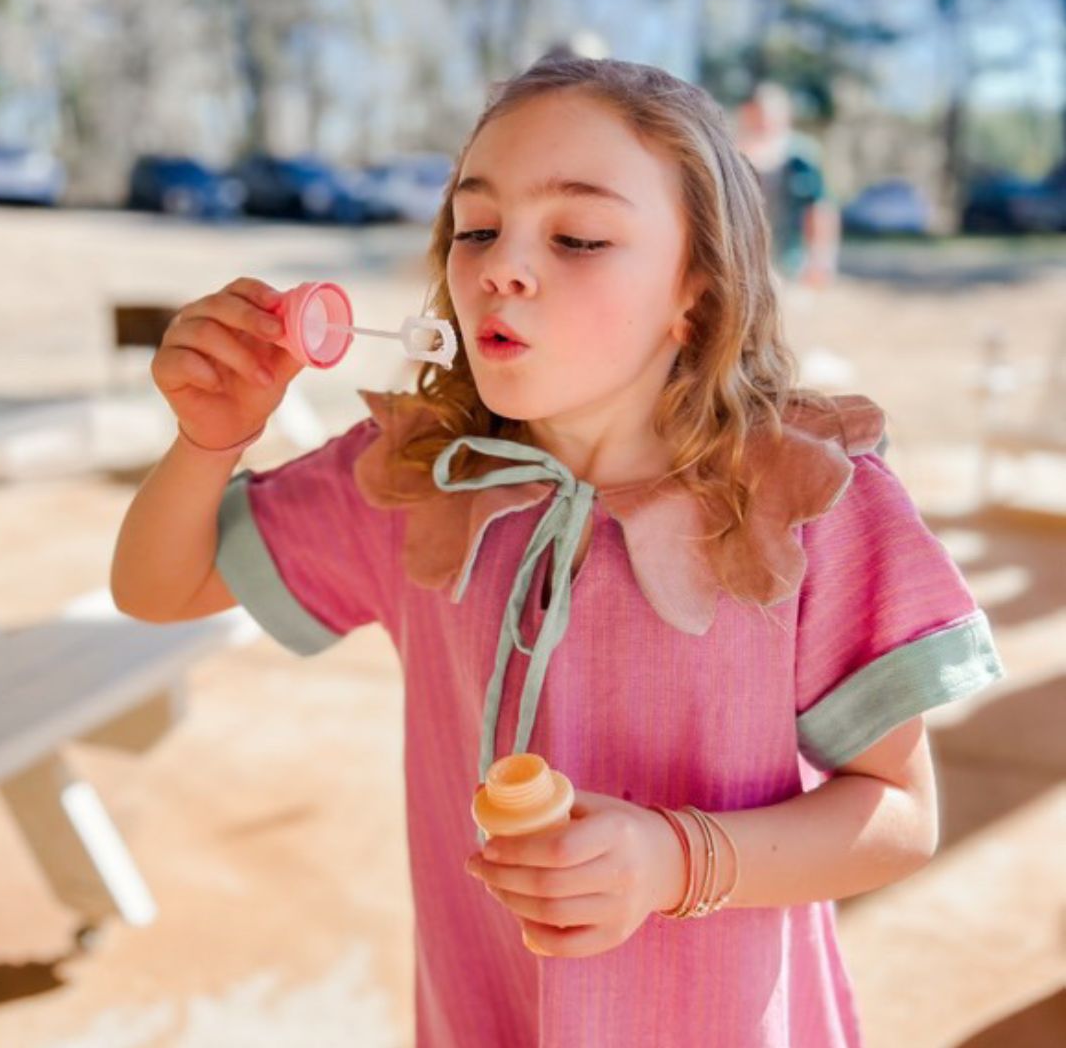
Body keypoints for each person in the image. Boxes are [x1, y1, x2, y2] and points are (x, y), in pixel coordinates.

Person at [111, 55, 1005, 1047]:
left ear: (697, 295)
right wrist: (208, 441)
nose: (497, 266)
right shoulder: (413, 477)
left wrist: (677, 859)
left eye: (577, 236)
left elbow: (898, 815)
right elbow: (163, 585)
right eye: (477, 227)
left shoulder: (808, 496)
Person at [735, 81, 841, 288]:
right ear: (748, 113)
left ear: (785, 115)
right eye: (760, 113)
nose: (765, 121)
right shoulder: (732, 154)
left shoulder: (802, 157)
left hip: (789, 262)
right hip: (743, 265)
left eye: (772, 114)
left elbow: (820, 209)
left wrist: (821, 258)